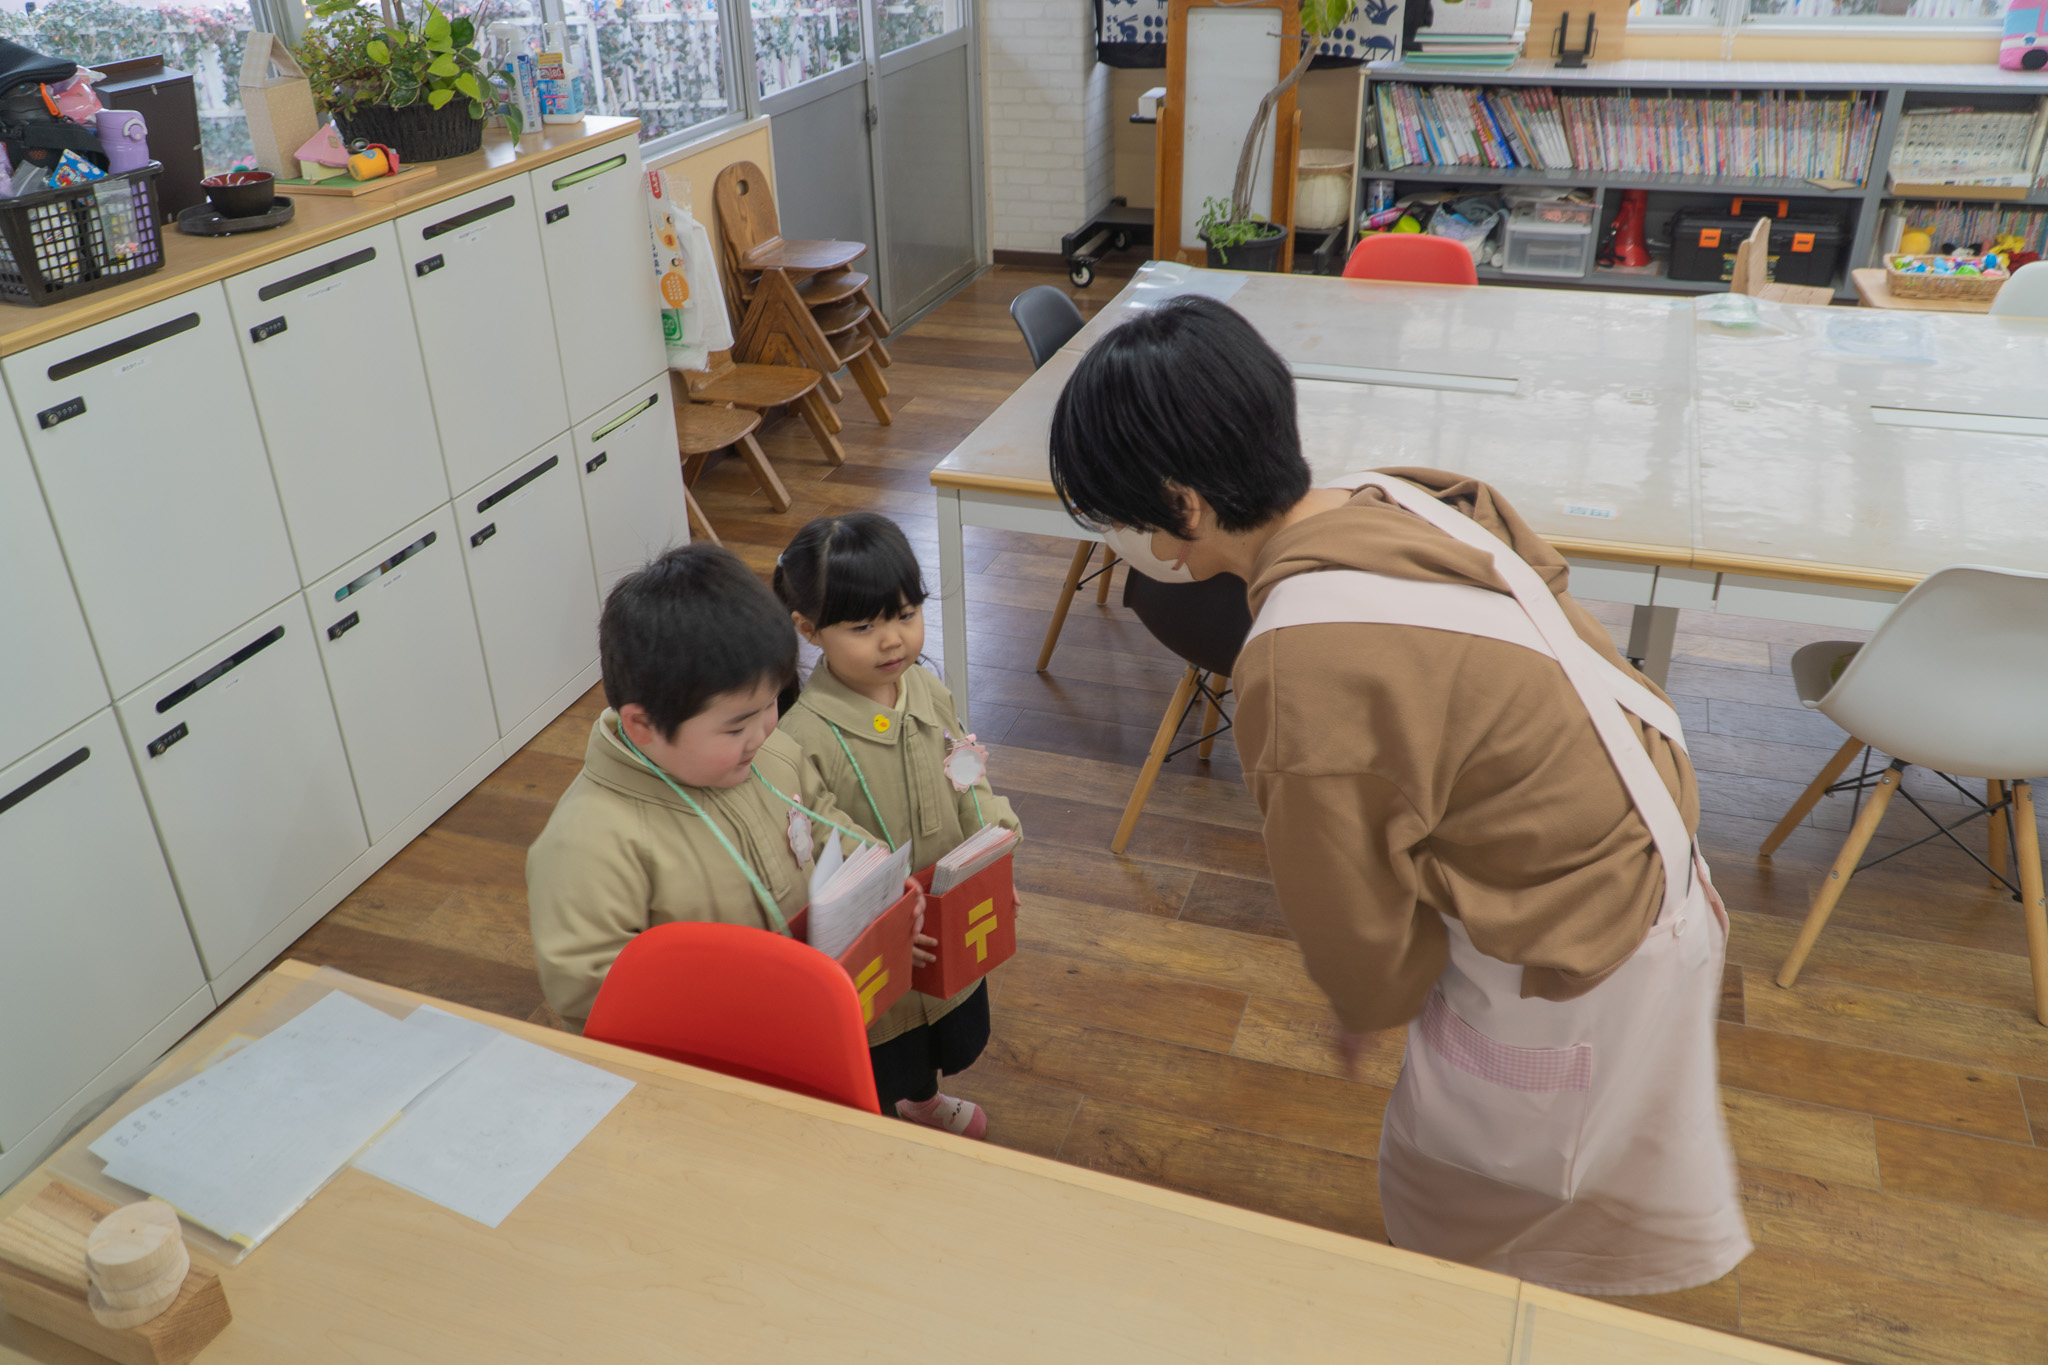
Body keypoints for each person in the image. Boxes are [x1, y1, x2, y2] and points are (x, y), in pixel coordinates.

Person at [1046, 295, 1751, 1297]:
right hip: (1655, 849)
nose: (1134, 542)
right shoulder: (1395, 495)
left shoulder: (1293, 660)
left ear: (1183, 505)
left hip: (1577, 938)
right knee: (1598, 1162)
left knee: (1491, 1210)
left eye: (1126, 514)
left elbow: (1347, 905)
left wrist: (1364, 1001)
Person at [526, 543, 926, 1031]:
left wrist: (877, 876)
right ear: (642, 726)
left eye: (771, 704)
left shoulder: (769, 754)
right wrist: (733, 1005)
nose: (763, 731)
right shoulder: (587, 843)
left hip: (808, 1011)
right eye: (736, 726)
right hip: (717, 1053)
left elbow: (823, 819)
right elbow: (588, 988)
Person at [774, 513, 1022, 1139]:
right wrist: (880, 925)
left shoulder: (927, 689)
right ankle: (880, 1120)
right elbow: (821, 852)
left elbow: (968, 776)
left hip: (946, 909)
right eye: (863, 626)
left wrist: (994, 860)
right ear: (809, 630)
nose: (893, 641)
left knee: (941, 1025)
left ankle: (922, 1100)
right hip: (879, 929)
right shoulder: (801, 737)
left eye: (906, 614)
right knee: (881, 1039)